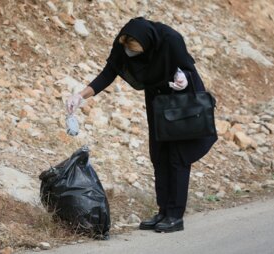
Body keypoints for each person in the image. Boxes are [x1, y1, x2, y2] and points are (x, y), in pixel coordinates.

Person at [66, 17, 217, 233]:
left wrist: (182, 78)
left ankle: (175, 216)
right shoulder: (123, 43)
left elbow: (187, 68)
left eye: (135, 49)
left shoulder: (170, 39)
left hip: (182, 100)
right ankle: (163, 211)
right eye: (127, 48)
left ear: (147, 43)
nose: (130, 53)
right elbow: (108, 73)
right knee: (159, 155)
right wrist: (80, 96)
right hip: (157, 101)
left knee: (177, 157)